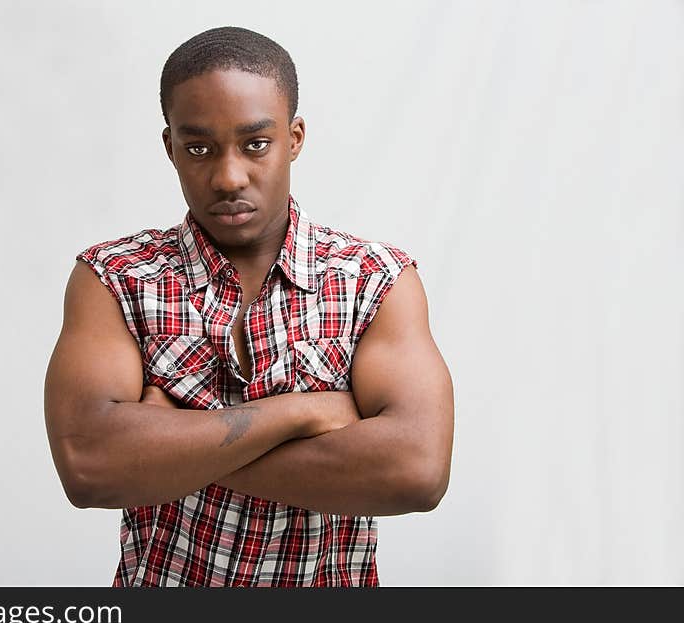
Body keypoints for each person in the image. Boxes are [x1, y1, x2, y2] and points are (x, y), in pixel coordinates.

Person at [43, 26, 454, 587]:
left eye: (255, 144)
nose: (228, 175)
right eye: (198, 148)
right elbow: (90, 466)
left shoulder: (374, 281)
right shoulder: (114, 279)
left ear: (295, 137)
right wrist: (301, 413)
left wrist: (170, 446)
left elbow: (417, 471)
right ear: (170, 148)